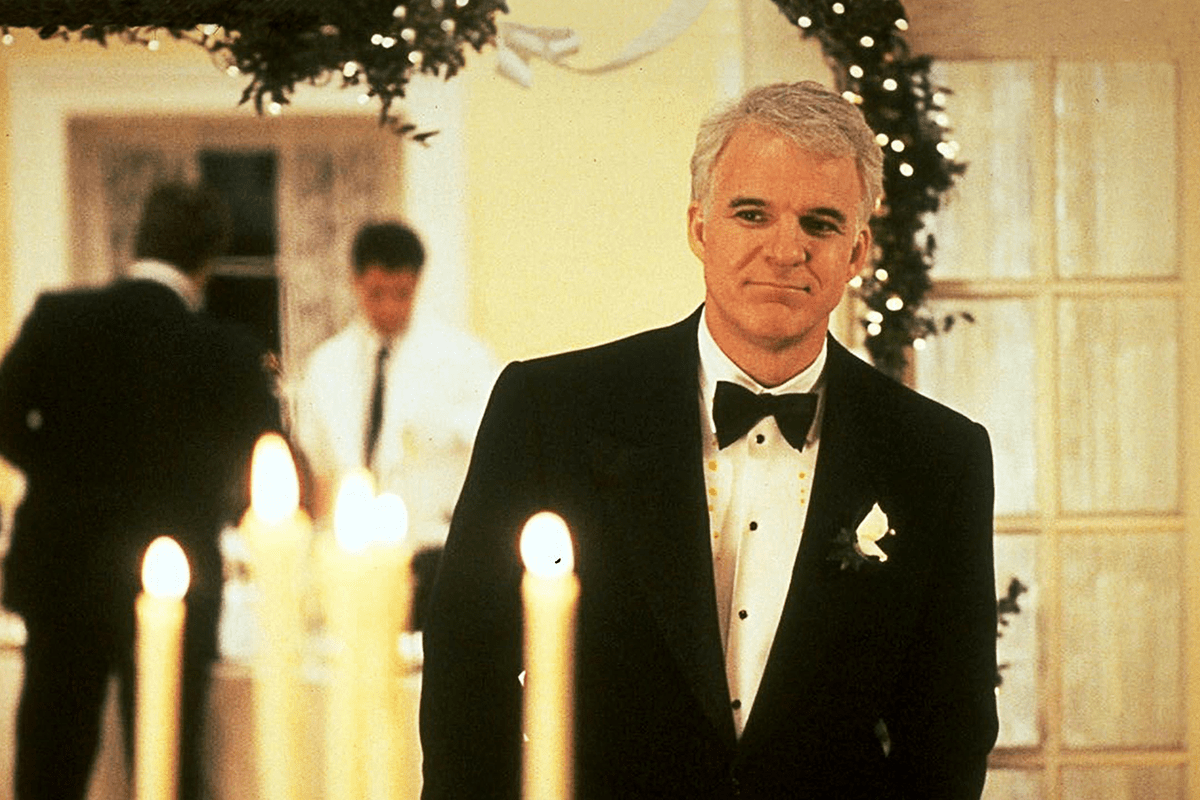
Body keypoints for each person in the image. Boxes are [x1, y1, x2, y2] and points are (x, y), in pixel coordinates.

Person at [420, 81, 998, 799]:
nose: (787, 250)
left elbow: (950, 724)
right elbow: (468, 664)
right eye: (752, 214)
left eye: (821, 223)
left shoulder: (939, 456)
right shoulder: (550, 408)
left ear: (858, 251)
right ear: (699, 227)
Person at [0, 182, 282, 800]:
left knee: (50, 759)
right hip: (176, 568)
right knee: (166, 760)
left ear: (139, 240)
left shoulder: (60, 318)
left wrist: (61, 472)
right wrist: (204, 500)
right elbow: (260, 464)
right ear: (208, 260)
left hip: (61, 566)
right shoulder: (226, 350)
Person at [292, 221, 497, 621]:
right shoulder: (327, 366)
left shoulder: (464, 360)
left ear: (417, 283)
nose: (388, 308)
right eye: (375, 294)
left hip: (433, 555)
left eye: (401, 294)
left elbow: (487, 454)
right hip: (352, 559)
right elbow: (319, 469)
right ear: (355, 283)